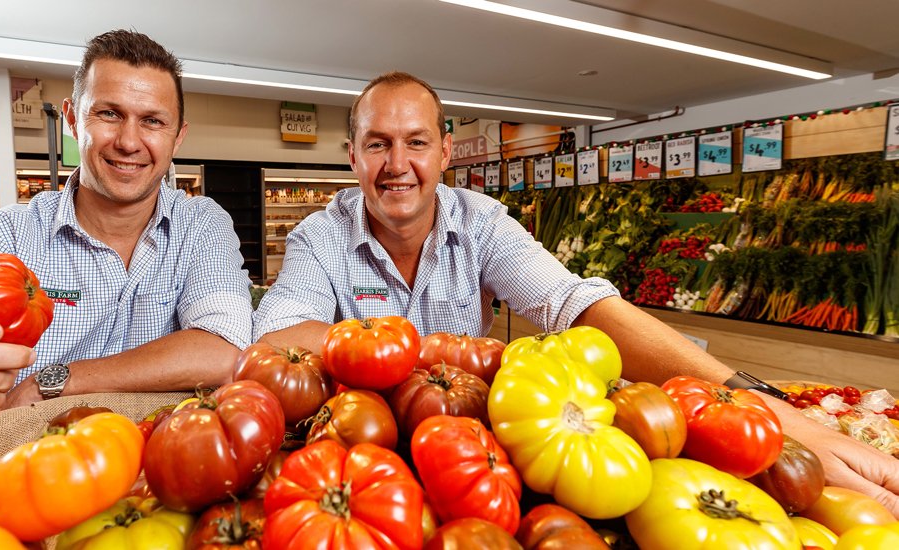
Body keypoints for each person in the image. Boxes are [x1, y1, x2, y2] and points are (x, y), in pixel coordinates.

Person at [254, 71, 899, 515]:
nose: (398, 165)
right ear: (351, 156)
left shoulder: (479, 222)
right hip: (357, 472)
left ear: (445, 152)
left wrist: (761, 405)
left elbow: (575, 305)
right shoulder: (321, 235)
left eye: (417, 142)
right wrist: (449, 356)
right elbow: (278, 337)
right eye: (378, 144)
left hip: (479, 467)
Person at [0, 30, 254, 458]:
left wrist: (54, 380)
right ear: (73, 119)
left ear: (177, 136)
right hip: (20, 477)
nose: (129, 142)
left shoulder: (200, 225)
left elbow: (224, 349)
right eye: (109, 114)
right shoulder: (5, 237)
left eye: (152, 121)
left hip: (163, 474)